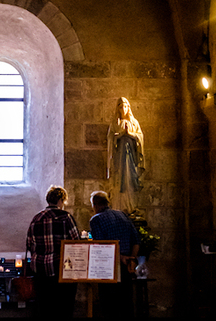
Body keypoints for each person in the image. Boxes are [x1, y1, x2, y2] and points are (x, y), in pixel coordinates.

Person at [26, 186, 80, 319]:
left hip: (40, 270)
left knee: (44, 307)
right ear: (61, 200)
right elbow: (76, 243)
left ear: (48, 200)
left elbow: (29, 244)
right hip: (61, 269)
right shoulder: (66, 218)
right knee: (63, 307)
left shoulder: (36, 218)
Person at [89, 190, 140, 319]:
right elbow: (136, 240)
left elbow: (102, 246)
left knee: (109, 306)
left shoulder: (96, 219)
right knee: (126, 303)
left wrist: (120, 258)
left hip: (108, 267)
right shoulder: (122, 215)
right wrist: (132, 259)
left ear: (94, 204)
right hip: (127, 265)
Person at [107, 97, 145, 213]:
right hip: (119, 158)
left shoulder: (134, 123)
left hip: (131, 157)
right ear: (118, 109)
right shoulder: (115, 123)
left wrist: (130, 134)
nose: (123, 109)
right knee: (119, 181)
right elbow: (110, 138)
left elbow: (140, 137)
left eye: (125, 106)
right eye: (121, 107)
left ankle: (131, 207)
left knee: (130, 179)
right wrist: (121, 135)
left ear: (128, 108)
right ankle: (119, 207)